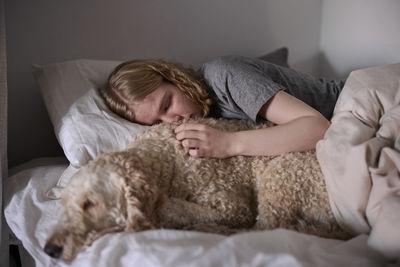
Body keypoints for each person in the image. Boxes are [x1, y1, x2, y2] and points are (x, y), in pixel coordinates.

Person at [101, 56, 344, 158]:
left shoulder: (223, 77)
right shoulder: (203, 117)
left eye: (167, 103)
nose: (172, 121)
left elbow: (318, 128)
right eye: (156, 122)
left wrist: (229, 144)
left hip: (349, 101)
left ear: (174, 78)